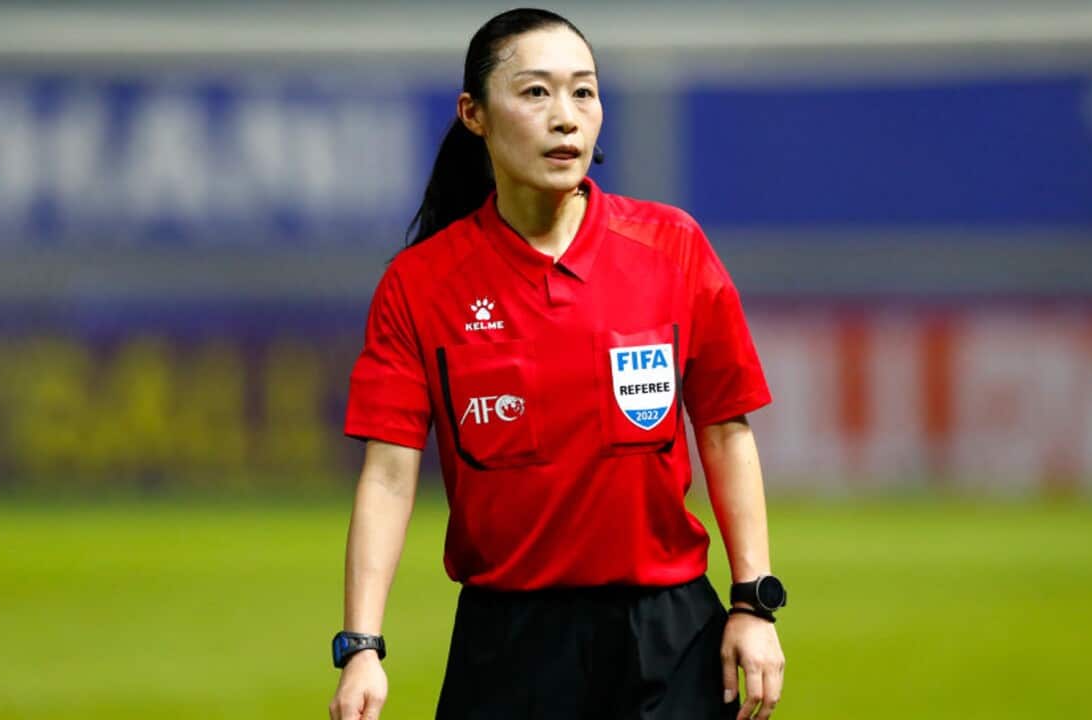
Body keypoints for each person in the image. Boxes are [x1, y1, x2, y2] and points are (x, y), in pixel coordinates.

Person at [328, 8, 785, 720]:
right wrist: (362, 646)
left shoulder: (674, 247)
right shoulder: (418, 287)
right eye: (536, 92)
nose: (566, 117)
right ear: (473, 114)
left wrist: (754, 601)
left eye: (584, 91)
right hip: (508, 647)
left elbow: (726, 431)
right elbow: (388, 479)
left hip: (672, 638)